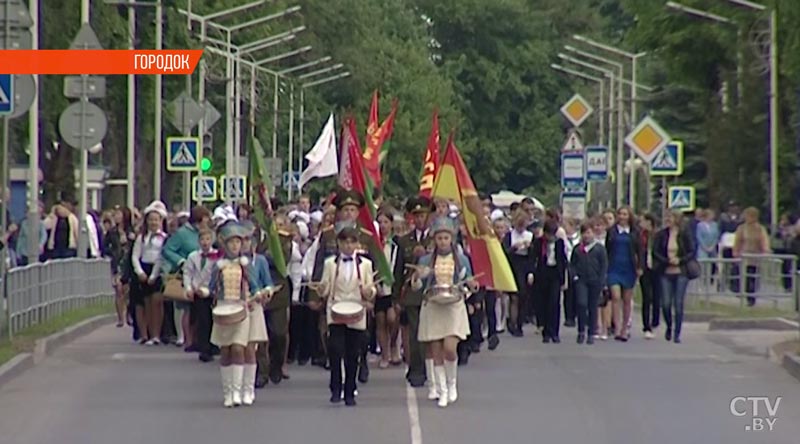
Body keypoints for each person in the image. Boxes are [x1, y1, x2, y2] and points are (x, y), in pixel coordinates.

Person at [411, 216, 478, 408]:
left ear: (451, 239)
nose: (442, 242)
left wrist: (471, 286)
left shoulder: (462, 259)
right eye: (439, 238)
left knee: (450, 347)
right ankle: (441, 390)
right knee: (436, 350)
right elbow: (416, 287)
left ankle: (452, 383)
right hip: (432, 305)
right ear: (434, 239)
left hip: (453, 306)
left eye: (446, 238)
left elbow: (469, 284)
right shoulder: (425, 259)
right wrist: (417, 277)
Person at [314, 226, 376, 406]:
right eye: (344, 242)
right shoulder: (330, 264)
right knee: (335, 350)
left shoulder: (365, 265)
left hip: (357, 310)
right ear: (339, 244)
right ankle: (335, 387)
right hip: (336, 311)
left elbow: (371, 288)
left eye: (352, 242)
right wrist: (321, 289)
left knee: (352, 353)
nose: (348, 246)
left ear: (357, 244)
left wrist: (368, 291)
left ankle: (350, 390)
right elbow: (325, 287)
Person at [208, 222, 265, 408]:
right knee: (225, 350)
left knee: (240, 348)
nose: (235, 246)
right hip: (224, 308)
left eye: (238, 242)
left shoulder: (245, 265)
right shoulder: (219, 266)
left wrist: (256, 295)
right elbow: (211, 287)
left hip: (241, 309)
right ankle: (229, 392)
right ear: (224, 244)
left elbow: (255, 285)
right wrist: (203, 292)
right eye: (231, 242)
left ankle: (244, 390)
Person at [394, 196, 434, 389]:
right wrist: (396, 298)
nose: (420, 219)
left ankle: (431, 368)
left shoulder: (437, 238)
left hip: (433, 293)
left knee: (431, 334)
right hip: (412, 294)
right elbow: (398, 269)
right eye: (416, 215)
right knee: (415, 333)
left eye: (423, 215)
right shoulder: (404, 241)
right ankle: (417, 369)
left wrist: (426, 254)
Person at [652, 211, 695, 343]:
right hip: (665, 271)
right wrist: (666, 261)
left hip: (681, 272)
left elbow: (691, 251)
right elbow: (655, 252)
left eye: (670, 217)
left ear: (677, 219)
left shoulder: (684, 234)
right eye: (666, 218)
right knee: (665, 303)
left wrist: (680, 260)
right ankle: (669, 326)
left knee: (678, 303)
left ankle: (677, 333)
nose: (668, 220)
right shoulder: (661, 235)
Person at [130, 201, 168, 345]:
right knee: (146, 304)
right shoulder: (142, 237)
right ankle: (147, 333)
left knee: (157, 303)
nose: (153, 222)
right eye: (151, 219)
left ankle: (156, 335)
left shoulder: (164, 238)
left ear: (161, 221)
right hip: (144, 268)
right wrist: (139, 271)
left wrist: (154, 275)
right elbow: (135, 255)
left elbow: (161, 257)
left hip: (157, 270)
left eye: (156, 220)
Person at [183, 227, 220, 363]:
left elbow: (217, 274)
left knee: (213, 320)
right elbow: (188, 272)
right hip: (198, 291)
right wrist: (189, 288)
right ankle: (204, 348)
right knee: (202, 320)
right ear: (198, 241)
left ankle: (213, 345)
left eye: (208, 239)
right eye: (202, 239)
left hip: (212, 292)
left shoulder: (217, 255)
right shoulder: (193, 256)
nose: (205, 242)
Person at [605, 206, 641, 341]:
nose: (622, 217)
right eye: (620, 214)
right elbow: (607, 249)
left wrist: (640, 267)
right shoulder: (612, 231)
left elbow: (640, 250)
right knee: (615, 296)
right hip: (614, 267)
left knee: (626, 300)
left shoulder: (635, 232)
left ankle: (625, 328)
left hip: (629, 268)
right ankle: (618, 328)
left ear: (629, 216)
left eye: (625, 214)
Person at [531, 220, 568, 343]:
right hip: (543, 273)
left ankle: (554, 332)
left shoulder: (559, 243)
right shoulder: (538, 242)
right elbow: (533, 258)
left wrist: (563, 279)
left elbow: (563, 261)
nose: (551, 237)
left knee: (554, 303)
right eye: (549, 234)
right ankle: (546, 332)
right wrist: (531, 273)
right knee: (543, 303)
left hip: (555, 275)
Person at [570, 222, 607, 345]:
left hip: (595, 281)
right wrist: (574, 276)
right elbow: (572, 265)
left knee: (593, 307)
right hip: (581, 280)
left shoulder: (599, 249)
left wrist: (602, 280)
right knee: (581, 304)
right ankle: (581, 330)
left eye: (589, 233)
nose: (586, 236)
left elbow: (603, 266)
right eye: (584, 233)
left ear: (593, 234)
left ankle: (591, 332)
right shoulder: (578, 249)